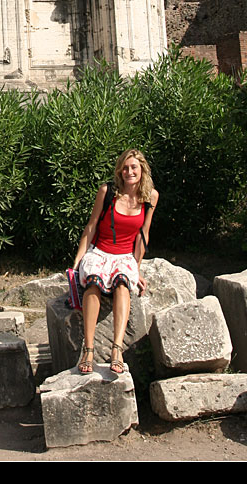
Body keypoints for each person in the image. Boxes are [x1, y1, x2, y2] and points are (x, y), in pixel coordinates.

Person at [71, 148, 159, 375]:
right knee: (93, 282)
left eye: (134, 167)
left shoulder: (150, 197)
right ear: (120, 171)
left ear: (142, 170)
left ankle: (117, 349)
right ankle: (88, 349)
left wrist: (136, 269)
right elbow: (91, 226)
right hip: (101, 252)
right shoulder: (108, 191)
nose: (130, 172)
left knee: (122, 284)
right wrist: (78, 260)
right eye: (125, 168)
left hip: (124, 255)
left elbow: (143, 234)